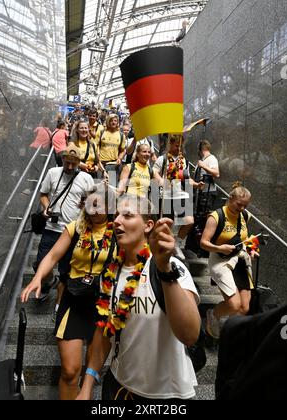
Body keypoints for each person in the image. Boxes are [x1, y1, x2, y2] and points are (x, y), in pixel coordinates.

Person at [76, 194, 201, 400]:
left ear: (148, 225)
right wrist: (87, 384)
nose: (116, 220)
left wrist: (164, 269)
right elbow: (104, 332)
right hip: (119, 386)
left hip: (167, 394)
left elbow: (189, 335)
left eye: (127, 215)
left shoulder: (171, 267)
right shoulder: (110, 273)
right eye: (116, 215)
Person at [21, 183, 117, 400]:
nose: (94, 209)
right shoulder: (76, 227)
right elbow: (53, 255)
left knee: (90, 375)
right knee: (70, 370)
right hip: (73, 301)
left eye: (99, 204)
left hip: (102, 303)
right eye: (90, 204)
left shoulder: (116, 231)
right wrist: (37, 278)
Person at [32, 143, 94, 310]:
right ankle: (49, 281)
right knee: (40, 264)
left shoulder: (86, 178)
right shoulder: (53, 173)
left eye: (74, 163)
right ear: (63, 159)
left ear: (79, 161)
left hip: (73, 231)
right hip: (52, 229)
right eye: (67, 162)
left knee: (66, 271)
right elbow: (43, 194)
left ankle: (59, 304)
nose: (70, 166)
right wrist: (46, 207)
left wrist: (86, 204)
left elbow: (92, 201)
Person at [200, 182, 259, 339]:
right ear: (230, 198)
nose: (241, 209)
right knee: (234, 304)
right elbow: (203, 243)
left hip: (240, 261)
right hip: (221, 261)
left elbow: (247, 239)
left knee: (244, 307)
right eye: (239, 204)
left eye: (245, 206)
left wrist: (252, 250)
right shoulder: (216, 216)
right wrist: (220, 248)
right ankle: (213, 314)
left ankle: (228, 334)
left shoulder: (244, 216)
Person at [194, 140, 220, 213]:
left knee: (204, 215)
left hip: (207, 193)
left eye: (198, 149)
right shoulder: (202, 160)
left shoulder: (211, 158)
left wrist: (204, 166)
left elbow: (217, 173)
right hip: (201, 192)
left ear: (201, 149)